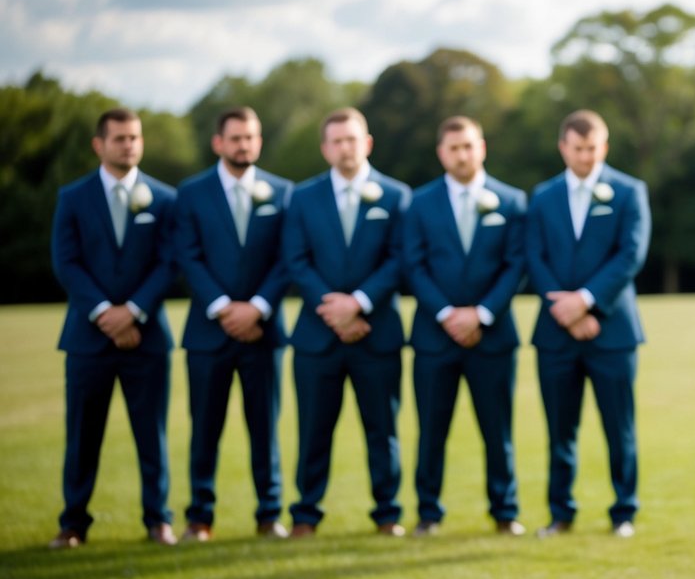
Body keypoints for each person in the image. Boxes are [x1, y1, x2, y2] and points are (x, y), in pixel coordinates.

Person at [49, 107, 178, 548]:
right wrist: (106, 311)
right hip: (89, 339)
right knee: (83, 436)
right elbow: (66, 262)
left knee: (152, 435)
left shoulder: (164, 199)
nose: (129, 145)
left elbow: (169, 262)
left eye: (135, 137)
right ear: (99, 144)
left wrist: (135, 310)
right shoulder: (73, 197)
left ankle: (158, 520)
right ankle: (73, 523)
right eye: (120, 138)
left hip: (147, 339)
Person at [281, 106, 411, 538]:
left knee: (382, 430)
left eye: (351, 139)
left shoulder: (395, 196)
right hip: (318, 338)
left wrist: (358, 303)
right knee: (313, 430)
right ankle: (305, 513)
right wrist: (334, 310)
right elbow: (296, 261)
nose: (344, 148)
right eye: (336, 141)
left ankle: (387, 513)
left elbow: (399, 260)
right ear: (325, 148)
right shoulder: (302, 197)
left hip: (377, 335)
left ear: (367, 142)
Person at [525, 109, 651, 538]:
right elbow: (534, 257)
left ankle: (624, 512)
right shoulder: (542, 197)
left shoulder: (629, 191)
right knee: (560, 430)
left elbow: (630, 255)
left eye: (593, 148)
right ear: (564, 147)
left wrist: (587, 303)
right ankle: (561, 513)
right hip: (556, 334)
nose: (586, 156)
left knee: (620, 428)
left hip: (612, 332)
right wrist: (566, 309)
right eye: (578, 149)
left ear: (605, 146)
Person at [402, 116, 528, 537]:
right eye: (454, 148)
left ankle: (505, 511)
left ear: (482, 147)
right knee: (432, 430)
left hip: (492, 337)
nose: (462, 154)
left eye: (468, 146)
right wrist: (447, 315)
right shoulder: (418, 203)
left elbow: (515, 265)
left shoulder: (510, 202)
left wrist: (482, 314)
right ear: (442, 153)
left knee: (498, 430)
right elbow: (414, 266)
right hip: (434, 338)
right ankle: (428, 513)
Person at [175, 106, 294, 542]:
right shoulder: (191, 193)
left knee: (265, 427)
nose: (245, 145)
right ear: (218, 143)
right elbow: (187, 255)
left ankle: (269, 514)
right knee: (205, 427)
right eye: (237, 138)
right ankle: (199, 517)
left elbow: (288, 257)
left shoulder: (283, 193)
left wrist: (258, 307)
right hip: (209, 333)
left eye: (251, 137)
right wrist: (225, 307)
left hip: (264, 332)